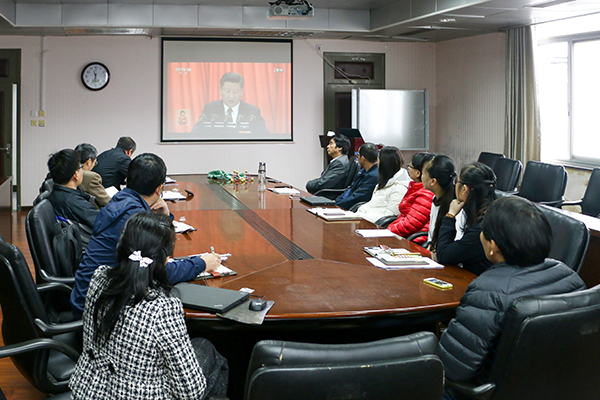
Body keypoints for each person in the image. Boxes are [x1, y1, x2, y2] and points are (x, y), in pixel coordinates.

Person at [439, 196, 586, 399]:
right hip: (552, 389)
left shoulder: (488, 291)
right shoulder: (571, 278)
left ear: (494, 247)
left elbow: (453, 369)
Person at [69, 212, 228, 399]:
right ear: (166, 260)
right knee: (210, 353)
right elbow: (191, 392)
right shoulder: (163, 309)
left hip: (87, 392)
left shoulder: (99, 277)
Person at [70, 153, 221, 320]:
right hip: (100, 312)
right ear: (159, 188)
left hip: (85, 297)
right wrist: (202, 263)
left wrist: (164, 216)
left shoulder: (120, 200)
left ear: (128, 179)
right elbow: (158, 273)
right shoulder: (134, 220)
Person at [435, 162, 497, 276]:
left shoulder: (482, 227)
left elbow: (443, 255)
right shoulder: (492, 210)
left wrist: (450, 215)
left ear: (464, 189)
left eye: (456, 182)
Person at [190, 72, 269, 135]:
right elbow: (195, 134)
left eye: (235, 92)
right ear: (220, 89)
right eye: (227, 91)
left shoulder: (252, 111)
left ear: (242, 91)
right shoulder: (210, 109)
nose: (231, 96)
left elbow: (265, 136)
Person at [387, 152, 435, 244]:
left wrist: (387, 231)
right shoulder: (415, 187)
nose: (408, 168)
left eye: (410, 166)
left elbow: (410, 224)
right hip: (404, 235)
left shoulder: (426, 194)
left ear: (418, 173)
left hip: (413, 240)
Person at [421, 155, 466, 251]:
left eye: (423, 173)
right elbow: (432, 235)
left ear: (433, 181)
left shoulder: (457, 206)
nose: (422, 176)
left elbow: (456, 244)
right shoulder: (436, 198)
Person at [47, 149, 99, 230]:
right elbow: (103, 222)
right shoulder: (75, 203)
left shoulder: (55, 194)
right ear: (76, 175)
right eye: (81, 167)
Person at [355, 146, 410, 224]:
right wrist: (360, 213)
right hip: (368, 220)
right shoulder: (385, 180)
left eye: (378, 160)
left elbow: (390, 215)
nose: (377, 163)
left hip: (378, 225)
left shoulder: (400, 186)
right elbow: (372, 203)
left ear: (384, 164)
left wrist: (364, 217)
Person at [335, 142, 379, 210]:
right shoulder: (363, 171)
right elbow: (350, 188)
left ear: (363, 158)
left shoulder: (373, 176)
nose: (357, 157)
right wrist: (337, 201)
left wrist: (338, 205)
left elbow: (357, 197)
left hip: (354, 208)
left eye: (358, 155)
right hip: (345, 203)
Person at [75, 143, 111, 209]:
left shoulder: (69, 172)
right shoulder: (91, 177)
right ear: (89, 162)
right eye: (94, 163)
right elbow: (107, 202)